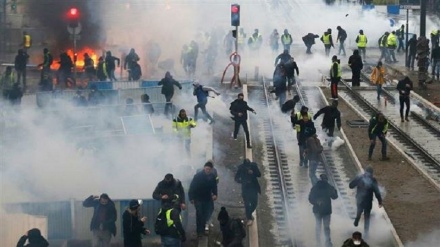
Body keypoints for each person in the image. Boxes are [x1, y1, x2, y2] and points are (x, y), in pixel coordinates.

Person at [349, 166, 383, 237]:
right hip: (368, 201)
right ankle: (366, 233)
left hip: (359, 199)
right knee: (367, 217)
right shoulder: (373, 180)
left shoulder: (360, 177)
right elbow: (377, 192)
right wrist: (379, 201)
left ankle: (357, 219)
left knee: (359, 210)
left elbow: (351, 185)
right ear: (372, 173)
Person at [189, 161, 218, 237]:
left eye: (209, 169)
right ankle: (199, 231)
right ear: (204, 168)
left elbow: (214, 187)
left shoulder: (212, 176)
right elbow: (192, 187)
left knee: (209, 211)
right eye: (206, 169)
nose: (207, 170)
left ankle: (204, 225)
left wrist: (215, 194)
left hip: (208, 198)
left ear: (211, 170)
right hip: (198, 198)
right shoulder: (198, 176)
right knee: (199, 214)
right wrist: (191, 197)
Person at [308, 174, 338, 247]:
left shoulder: (315, 187)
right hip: (326, 211)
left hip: (318, 211)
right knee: (326, 227)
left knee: (318, 226)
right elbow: (335, 196)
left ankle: (319, 242)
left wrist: (316, 202)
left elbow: (310, 198)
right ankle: (327, 242)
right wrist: (335, 190)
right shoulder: (328, 187)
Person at [235, 158, 261, 226]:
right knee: (247, 204)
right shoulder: (241, 168)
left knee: (254, 203)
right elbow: (236, 178)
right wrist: (242, 181)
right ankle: (249, 217)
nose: (248, 168)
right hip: (245, 189)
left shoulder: (254, 166)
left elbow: (259, 174)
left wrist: (253, 172)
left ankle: (248, 214)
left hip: (253, 188)